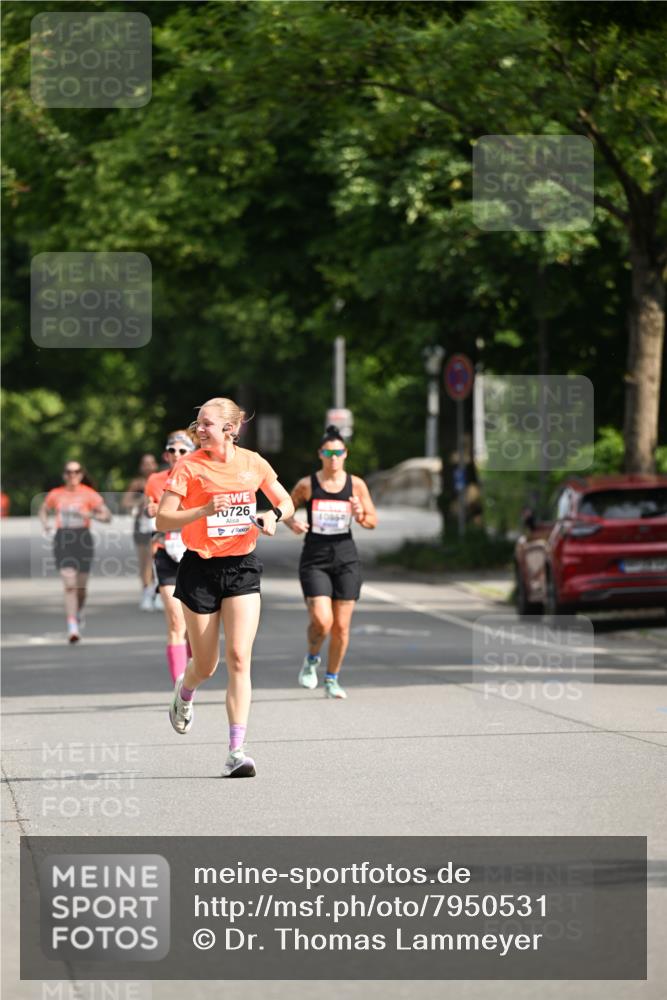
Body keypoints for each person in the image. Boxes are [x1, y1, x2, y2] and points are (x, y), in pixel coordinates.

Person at [156, 397, 294, 778]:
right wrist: (203, 511)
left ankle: (237, 750)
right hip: (199, 568)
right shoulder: (188, 466)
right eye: (198, 423)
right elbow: (163, 518)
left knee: (238, 657)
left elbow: (285, 501)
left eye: (207, 425)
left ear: (230, 430)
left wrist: (273, 515)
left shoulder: (252, 463)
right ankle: (185, 691)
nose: (198, 430)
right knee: (207, 664)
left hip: (242, 566)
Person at [283, 425, 377, 699]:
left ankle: (332, 678)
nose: (333, 457)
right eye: (328, 452)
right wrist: (292, 523)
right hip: (315, 558)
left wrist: (360, 515)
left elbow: (372, 521)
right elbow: (284, 508)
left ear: (345, 454)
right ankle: (312, 659)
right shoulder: (307, 484)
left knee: (341, 627)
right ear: (320, 454)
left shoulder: (356, 484)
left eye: (338, 452)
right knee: (323, 622)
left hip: (346, 558)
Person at [144, 429, 197, 684]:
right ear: (166, 454)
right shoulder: (155, 480)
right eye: (172, 450)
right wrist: (152, 510)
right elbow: (151, 510)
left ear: (191, 454)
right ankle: (179, 681)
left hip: (195, 554)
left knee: (192, 622)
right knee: (176, 621)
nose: (176, 455)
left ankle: (190, 670)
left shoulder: (199, 477)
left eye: (183, 450)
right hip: (166, 552)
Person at [39, 462, 112, 643]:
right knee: (69, 584)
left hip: (83, 539)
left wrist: (90, 516)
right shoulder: (56, 494)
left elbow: (107, 516)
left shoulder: (89, 493)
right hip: (63, 538)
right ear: (64, 475)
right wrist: (46, 523)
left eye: (76, 471)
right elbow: (43, 509)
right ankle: (72, 626)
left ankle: (78, 611)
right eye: (69, 472)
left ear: (81, 474)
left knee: (81, 587)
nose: (72, 475)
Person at [121, 453, 159, 610]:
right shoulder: (137, 483)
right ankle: (146, 592)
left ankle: (158, 593)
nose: (148, 466)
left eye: (151, 462)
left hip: (159, 525)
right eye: (145, 463)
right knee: (145, 561)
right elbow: (125, 502)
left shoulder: (163, 479)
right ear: (141, 467)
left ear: (156, 464)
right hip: (142, 525)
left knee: (158, 560)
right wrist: (140, 501)